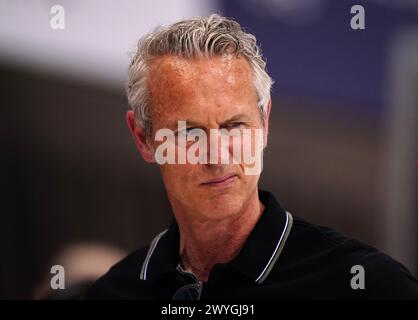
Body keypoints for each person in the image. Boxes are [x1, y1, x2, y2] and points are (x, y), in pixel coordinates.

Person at [86, 14, 418, 299]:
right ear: (143, 138)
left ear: (265, 123)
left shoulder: (370, 287)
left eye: (233, 126)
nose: (216, 155)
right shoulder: (115, 292)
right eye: (188, 133)